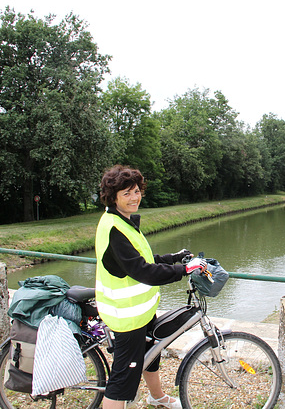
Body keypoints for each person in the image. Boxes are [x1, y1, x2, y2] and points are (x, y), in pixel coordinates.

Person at [95, 165, 206, 409]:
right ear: (113, 197)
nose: (134, 197)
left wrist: (174, 257)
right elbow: (143, 272)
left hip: (139, 311)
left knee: (150, 355)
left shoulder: (123, 221)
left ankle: (156, 397)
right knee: (122, 379)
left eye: (136, 191)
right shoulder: (114, 229)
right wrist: (184, 270)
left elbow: (143, 259)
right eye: (126, 193)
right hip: (126, 315)